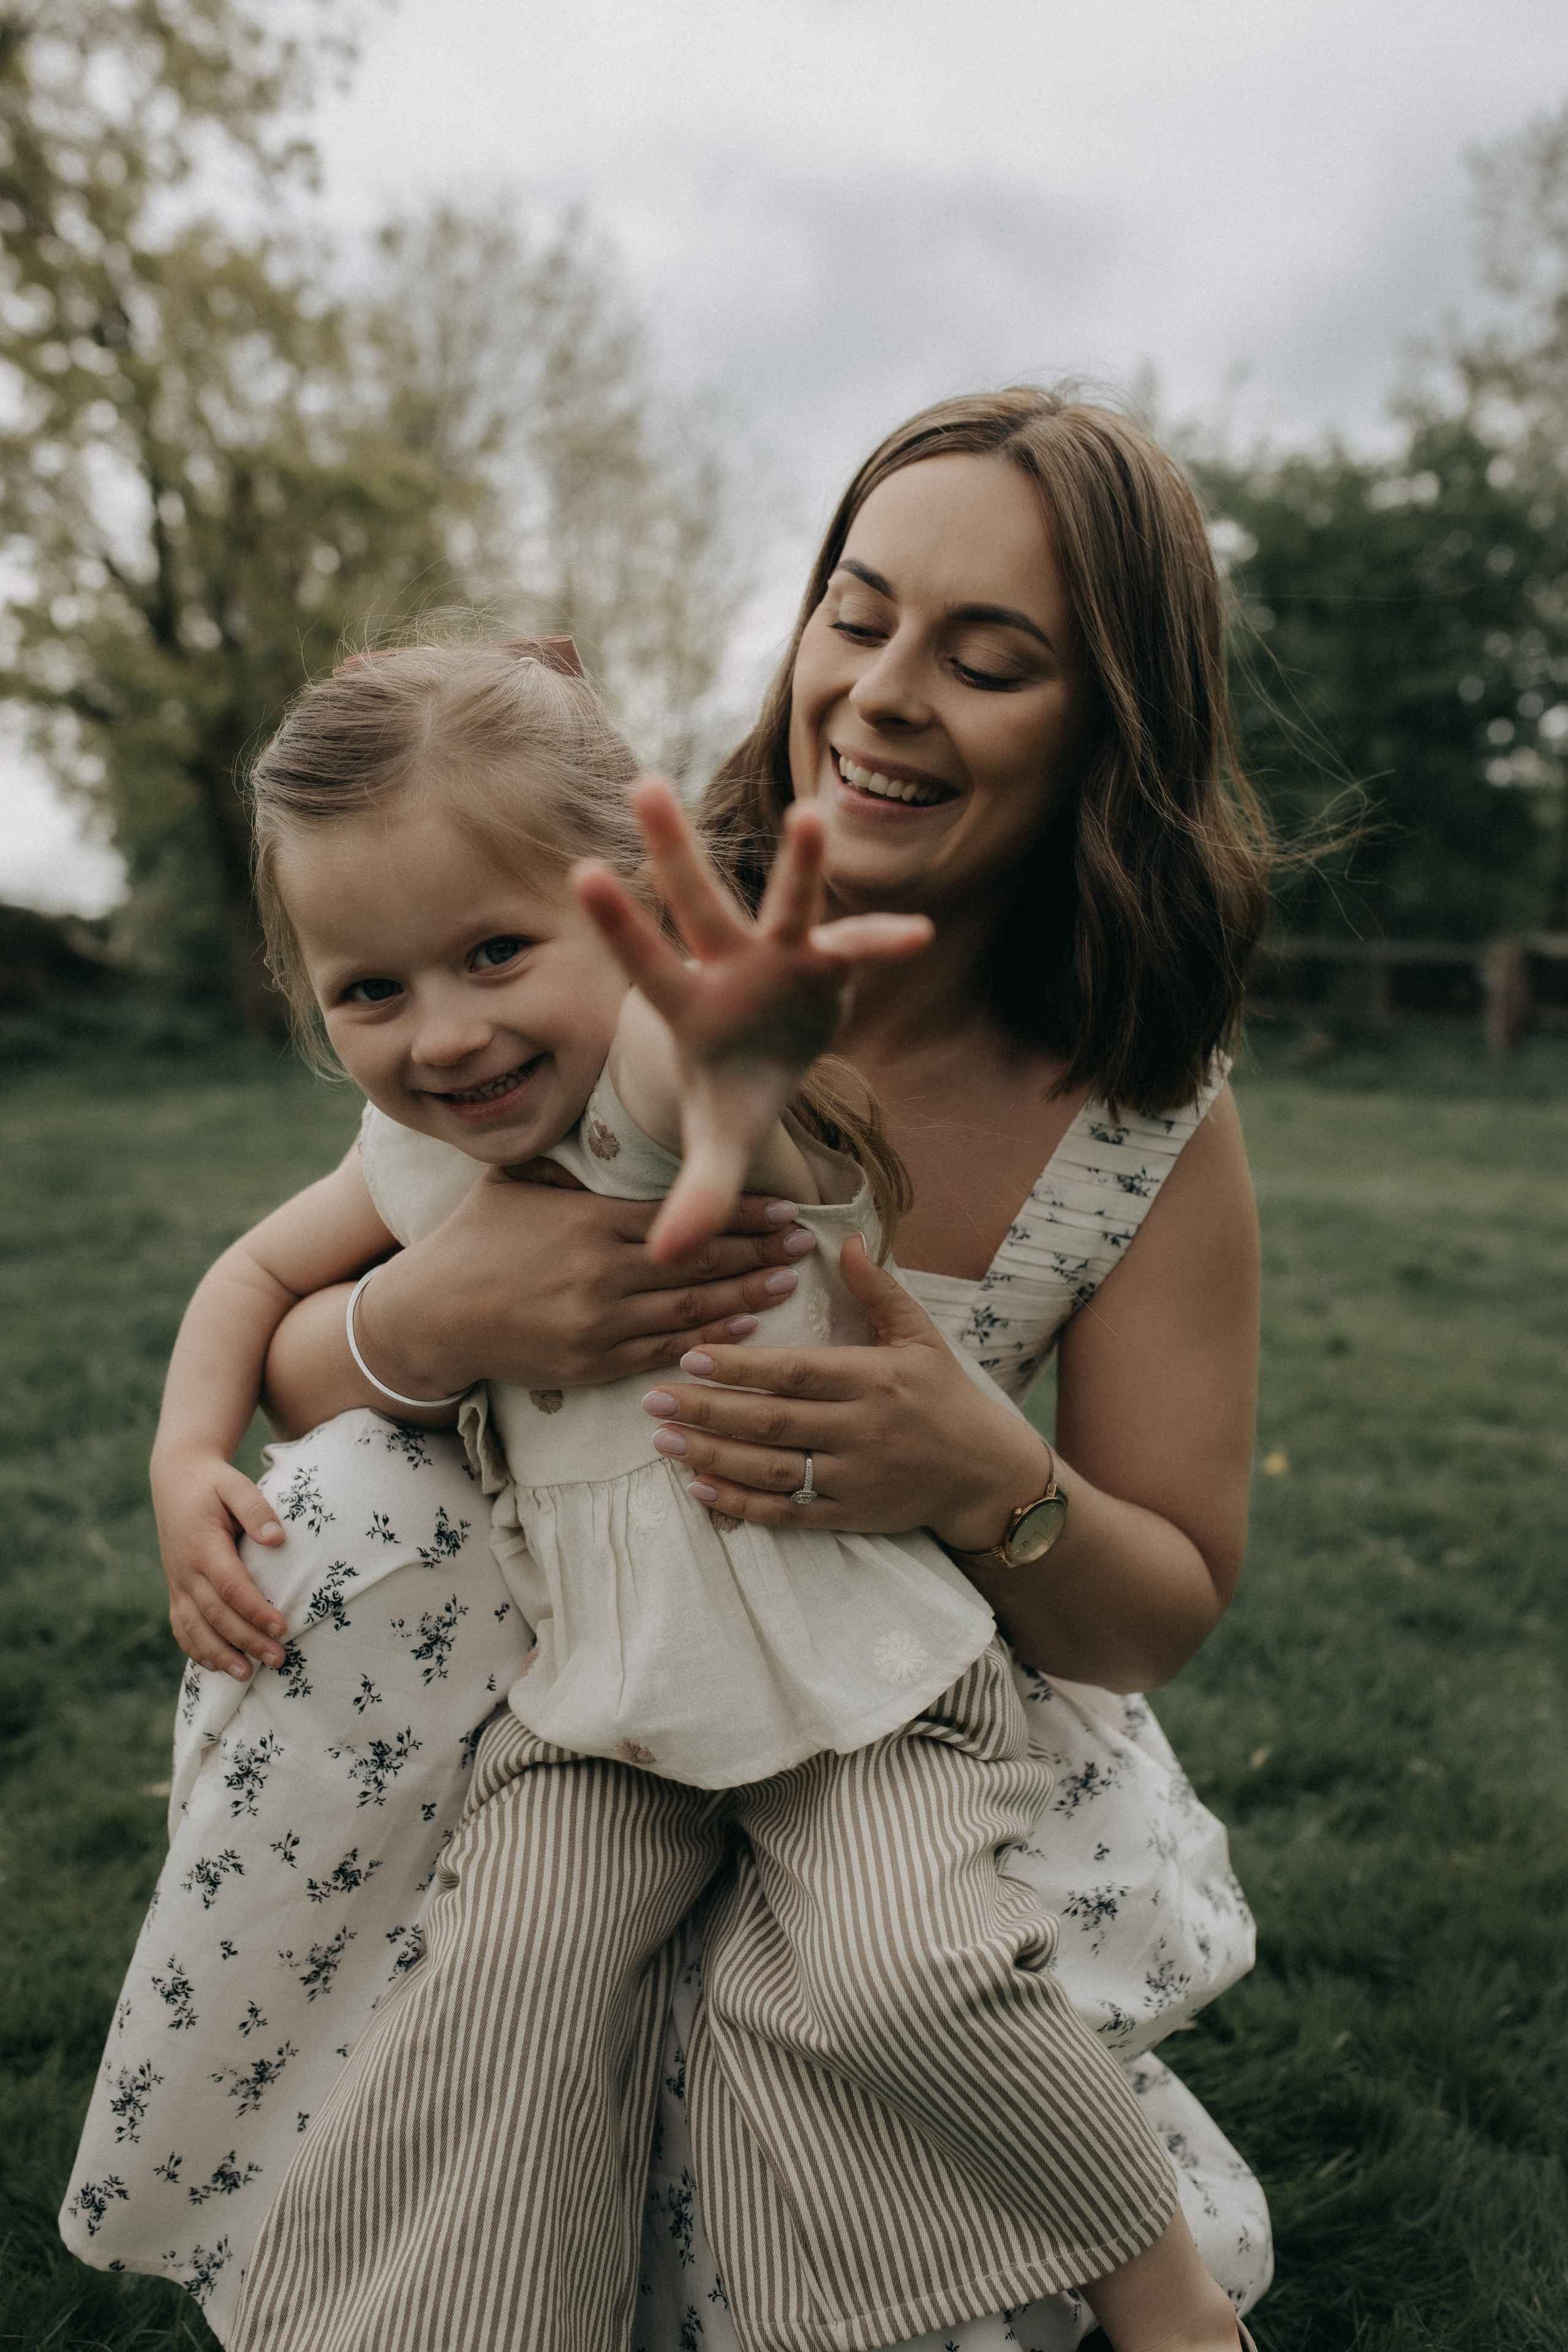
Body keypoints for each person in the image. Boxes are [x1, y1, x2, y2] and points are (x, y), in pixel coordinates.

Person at [84, 384, 1275, 2348]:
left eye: (986, 659)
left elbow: (1163, 1607)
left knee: (883, 1998)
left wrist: (989, 1474)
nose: (886, 691)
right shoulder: (578, 920)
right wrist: (432, 1322)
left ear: (1106, 728)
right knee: (511, 1981)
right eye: (858, 614)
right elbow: (315, 1333)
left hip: (880, 1679)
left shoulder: (1137, 1112)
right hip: (565, 1674)